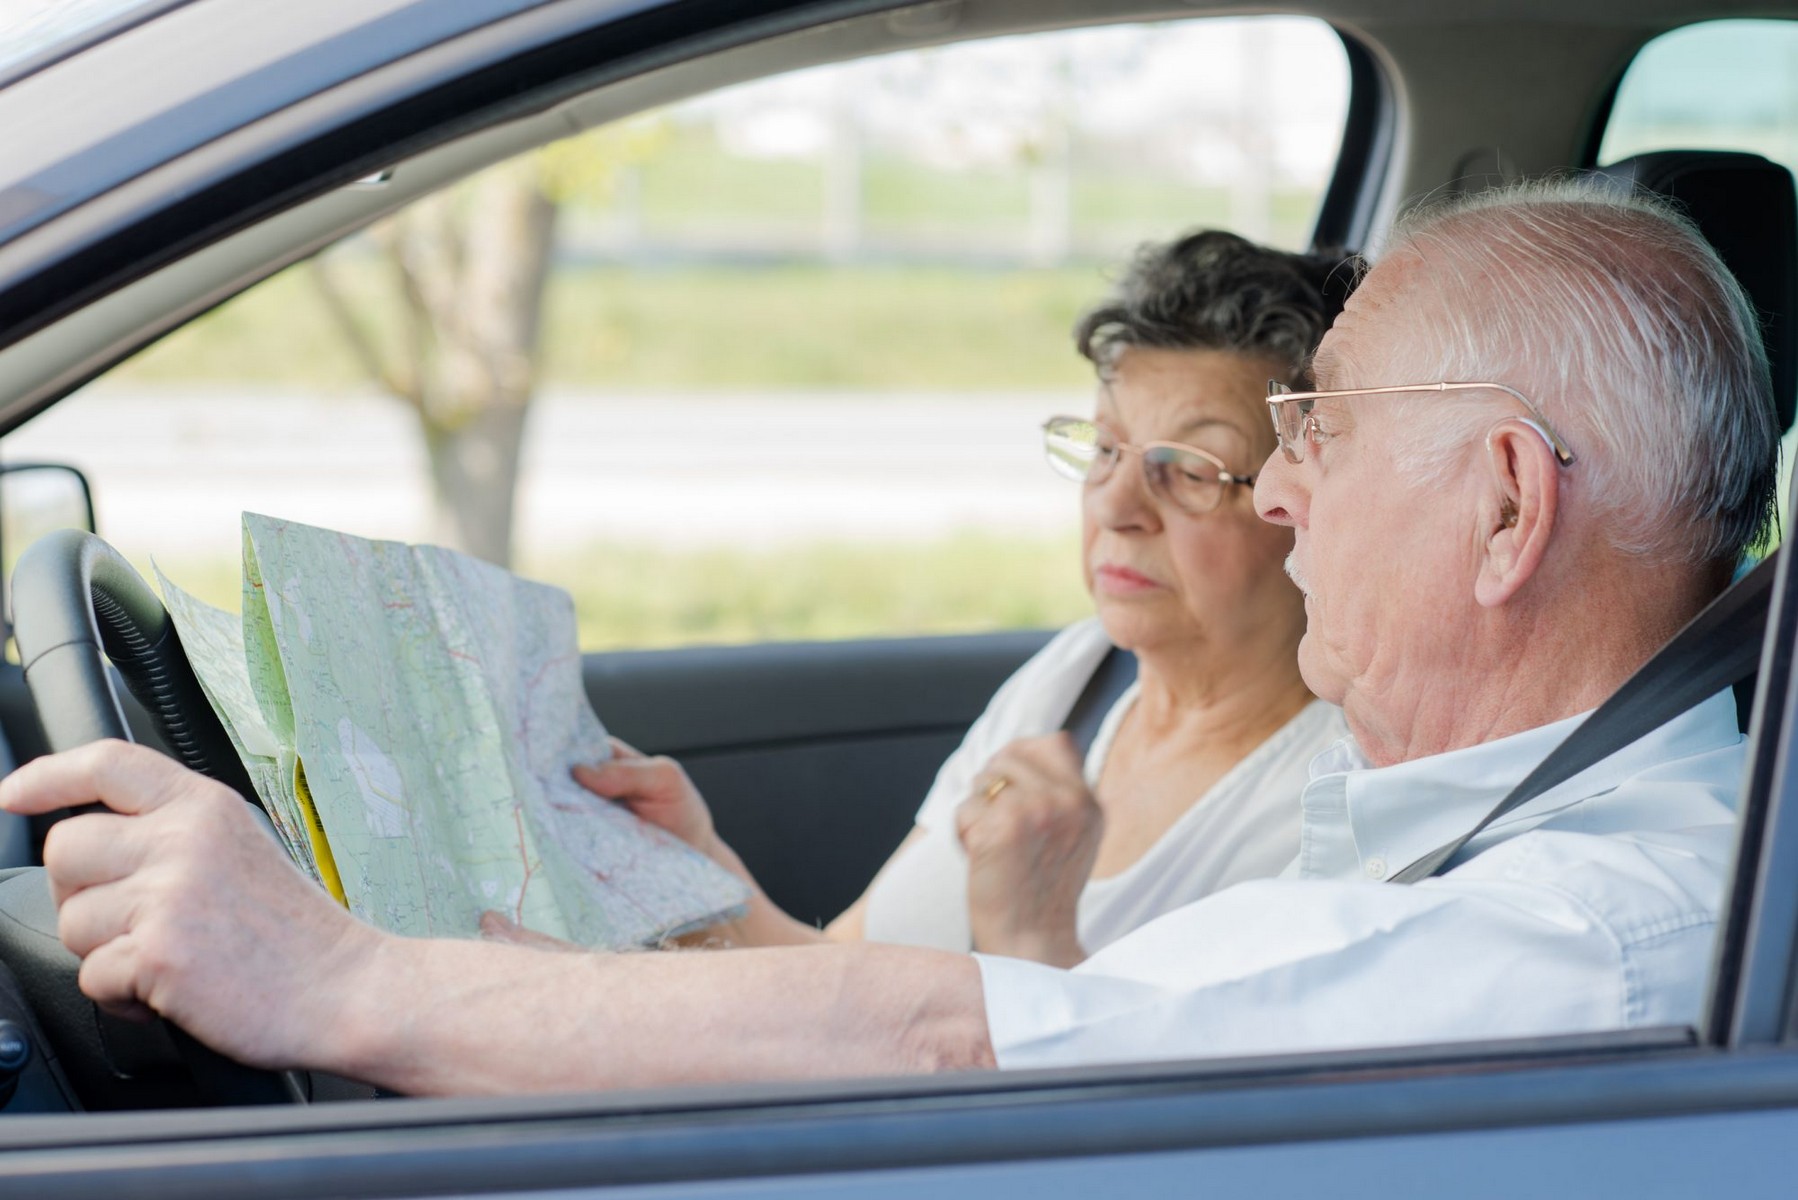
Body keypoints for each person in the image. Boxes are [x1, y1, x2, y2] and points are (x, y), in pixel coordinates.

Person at [1, 178, 1778, 1094]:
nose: (1282, 496)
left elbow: (959, 1043)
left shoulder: (1579, 939)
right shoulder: (1498, 830)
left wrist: (336, 981)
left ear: (1501, 509)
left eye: (1317, 433)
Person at [560, 231, 1349, 968]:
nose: (1115, 505)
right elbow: (848, 972)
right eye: (1107, 448)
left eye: (1191, 469)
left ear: (1303, 500)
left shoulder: (1333, 808)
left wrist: (1031, 939)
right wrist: (701, 868)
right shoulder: (1076, 677)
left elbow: (1182, 1080)